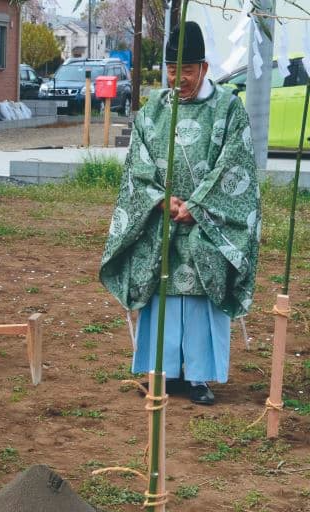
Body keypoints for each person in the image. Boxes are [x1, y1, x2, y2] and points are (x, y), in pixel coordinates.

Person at [99, 22, 261, 406]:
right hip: (161, 221)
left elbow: (234, 165)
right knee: (163, 296)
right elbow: (137, 164)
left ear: (203, 68)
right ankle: (164, 371)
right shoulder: (153, 110)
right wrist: (160, 198)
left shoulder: (227, 109)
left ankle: (200, 377)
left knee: (202, 298)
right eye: (173, 69)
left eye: (187, 70)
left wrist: (197, 205)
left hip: (208, 223)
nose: (179, 78)